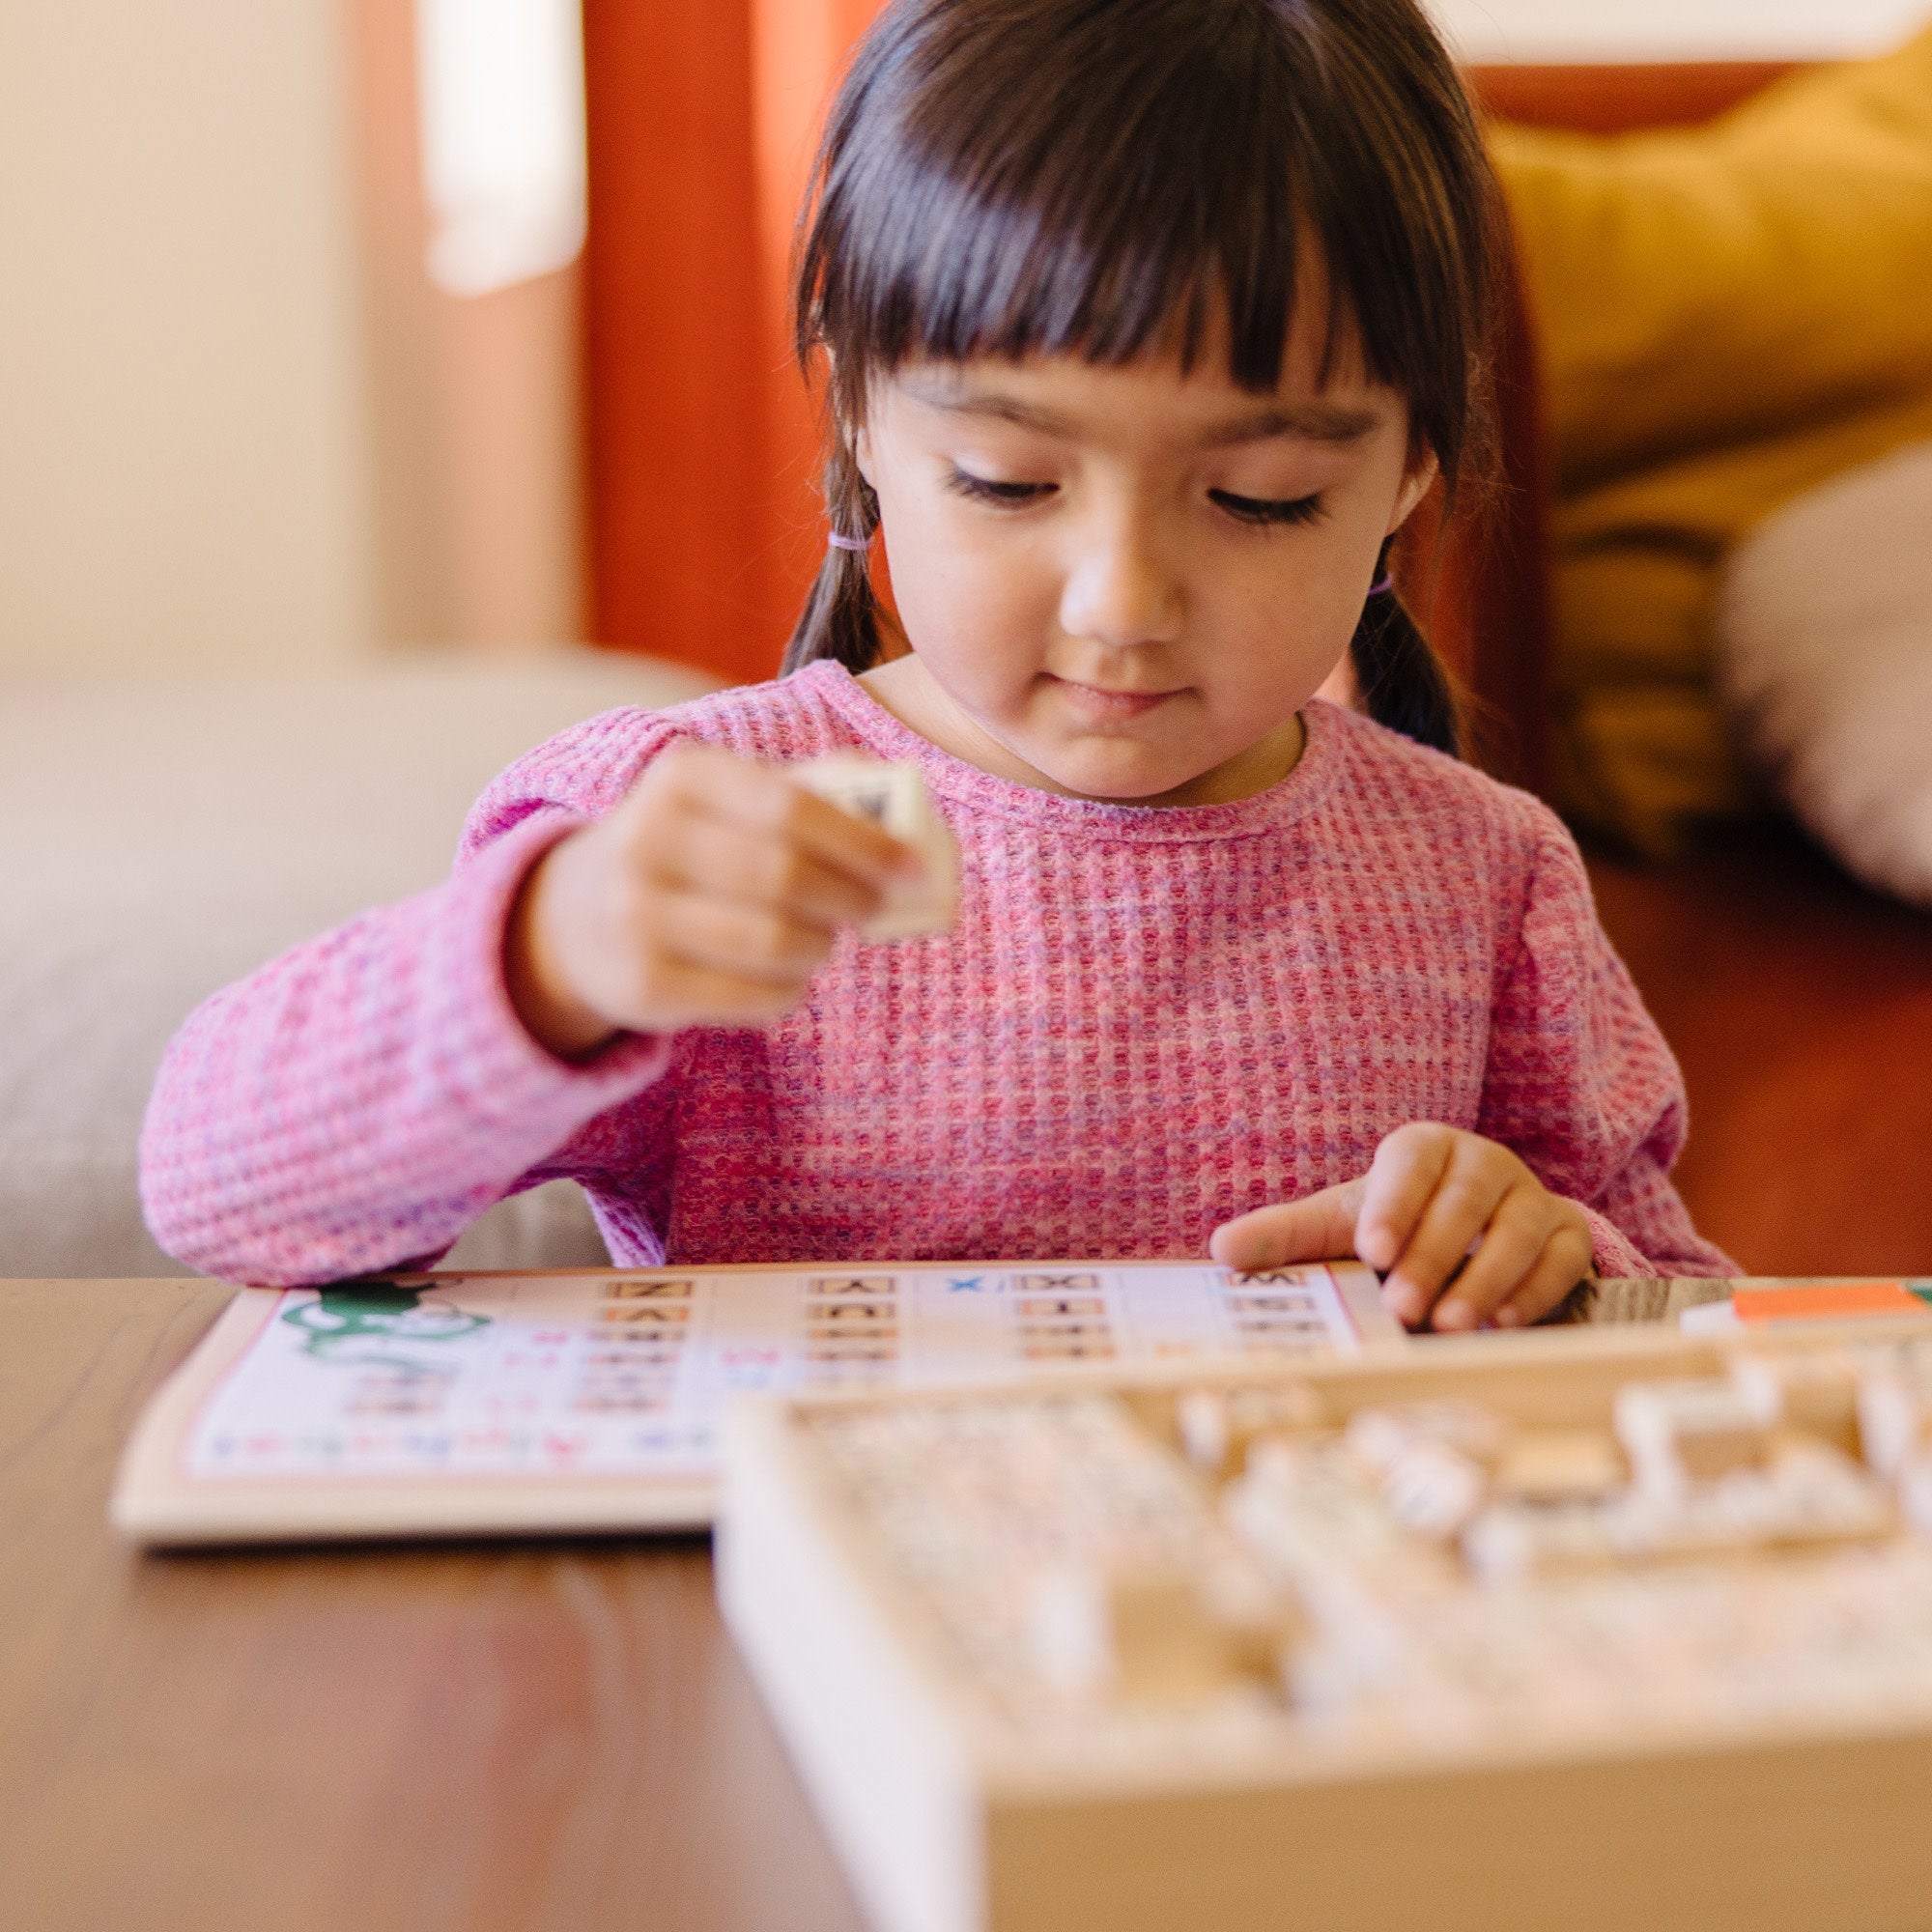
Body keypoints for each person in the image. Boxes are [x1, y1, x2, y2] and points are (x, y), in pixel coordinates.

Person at [141, 0, 1734, 1327]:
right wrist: (545, 962)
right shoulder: (683, 826)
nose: (1121, 601)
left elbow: (1688, 1311)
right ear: (857, 420)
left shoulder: (1481, 880)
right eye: (1010, 481)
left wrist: (1549, 1255)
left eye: (1260, 500)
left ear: (1405, 478)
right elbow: (216, 1183)